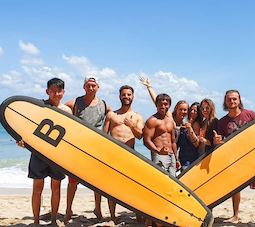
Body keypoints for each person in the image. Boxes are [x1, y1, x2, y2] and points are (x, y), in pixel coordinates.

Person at [16, 78, 71, 225]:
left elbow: (70, 135)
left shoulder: (66, 111)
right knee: (37, 188)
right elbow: (26, 125)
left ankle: (53, 220)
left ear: (63, 92)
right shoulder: (39, 106)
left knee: (56, 187)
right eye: (52, 91)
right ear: (47, 91)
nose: (56, 94)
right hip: (39, 152)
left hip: (57, 155)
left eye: (59, 91)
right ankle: (36, 222)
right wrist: (21, 140)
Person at [213, 89, 255, 226]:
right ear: (225, 102)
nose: (232, 101)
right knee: (235, 188)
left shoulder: (250, 115)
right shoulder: (222, 122)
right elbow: (222, 144)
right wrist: (217, 141)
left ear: (239, 100)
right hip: (235, 160)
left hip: (254, 158)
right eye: (229, 99)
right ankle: (235, 215)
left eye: (234, 99)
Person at [64, 75, 111, 223]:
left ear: (98, 87)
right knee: (72, 181)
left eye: (93, 85)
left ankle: (97, 209)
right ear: (84, 87)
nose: (91, 88)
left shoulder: (104, 104)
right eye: (88, 85)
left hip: (96, 147)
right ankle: (68, 209)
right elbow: (59, 114)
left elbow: (114, 118)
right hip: (78, 147)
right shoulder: (75, 103)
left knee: (97, 182)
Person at [103, 85, 144, 222]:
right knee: (112, 185)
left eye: (129, 94)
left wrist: (132, 125)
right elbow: (103, 135)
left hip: (130, 153)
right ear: (120, 96)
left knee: (134, 185)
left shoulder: (137, 116)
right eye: (124, 94)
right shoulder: (112, 115)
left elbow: (140, 136)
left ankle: (138, 214)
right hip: (114, 153)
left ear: (133, 97)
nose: (126, 97)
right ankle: (113, 216)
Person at [143, 94, 179, 177]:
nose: (163, 106)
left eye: (166, 104)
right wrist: (158, 151)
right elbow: (146, 140)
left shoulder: (170, 121)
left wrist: (176, 159)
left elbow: (173, 141)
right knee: (160, 179)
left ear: (169, 105)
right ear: (156, 105)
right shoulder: (152, 120)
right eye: (160, 104)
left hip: (171, 155)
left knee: (172, 180)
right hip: (159, 155)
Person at [172, 100, 200, 170]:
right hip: (181, 160)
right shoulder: (184, 124)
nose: (192, 112)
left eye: (195, 111)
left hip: (190, 161)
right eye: (191, 110)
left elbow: (196, 144)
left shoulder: (196, 125)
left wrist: (189, 128)